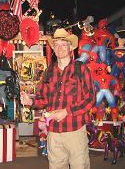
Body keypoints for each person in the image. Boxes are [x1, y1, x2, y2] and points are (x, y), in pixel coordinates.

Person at [32, 28, 95, 169]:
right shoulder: (48, 72)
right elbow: (42, 98)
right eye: (57, 45)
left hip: (75, 131)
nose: (60, 48)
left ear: (71, 47)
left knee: (79, 166)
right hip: (54, 133)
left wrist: (67, 111)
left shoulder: (81, 69)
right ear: (53, 48)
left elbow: (90, 98)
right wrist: (30, 101)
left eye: (64, 44)